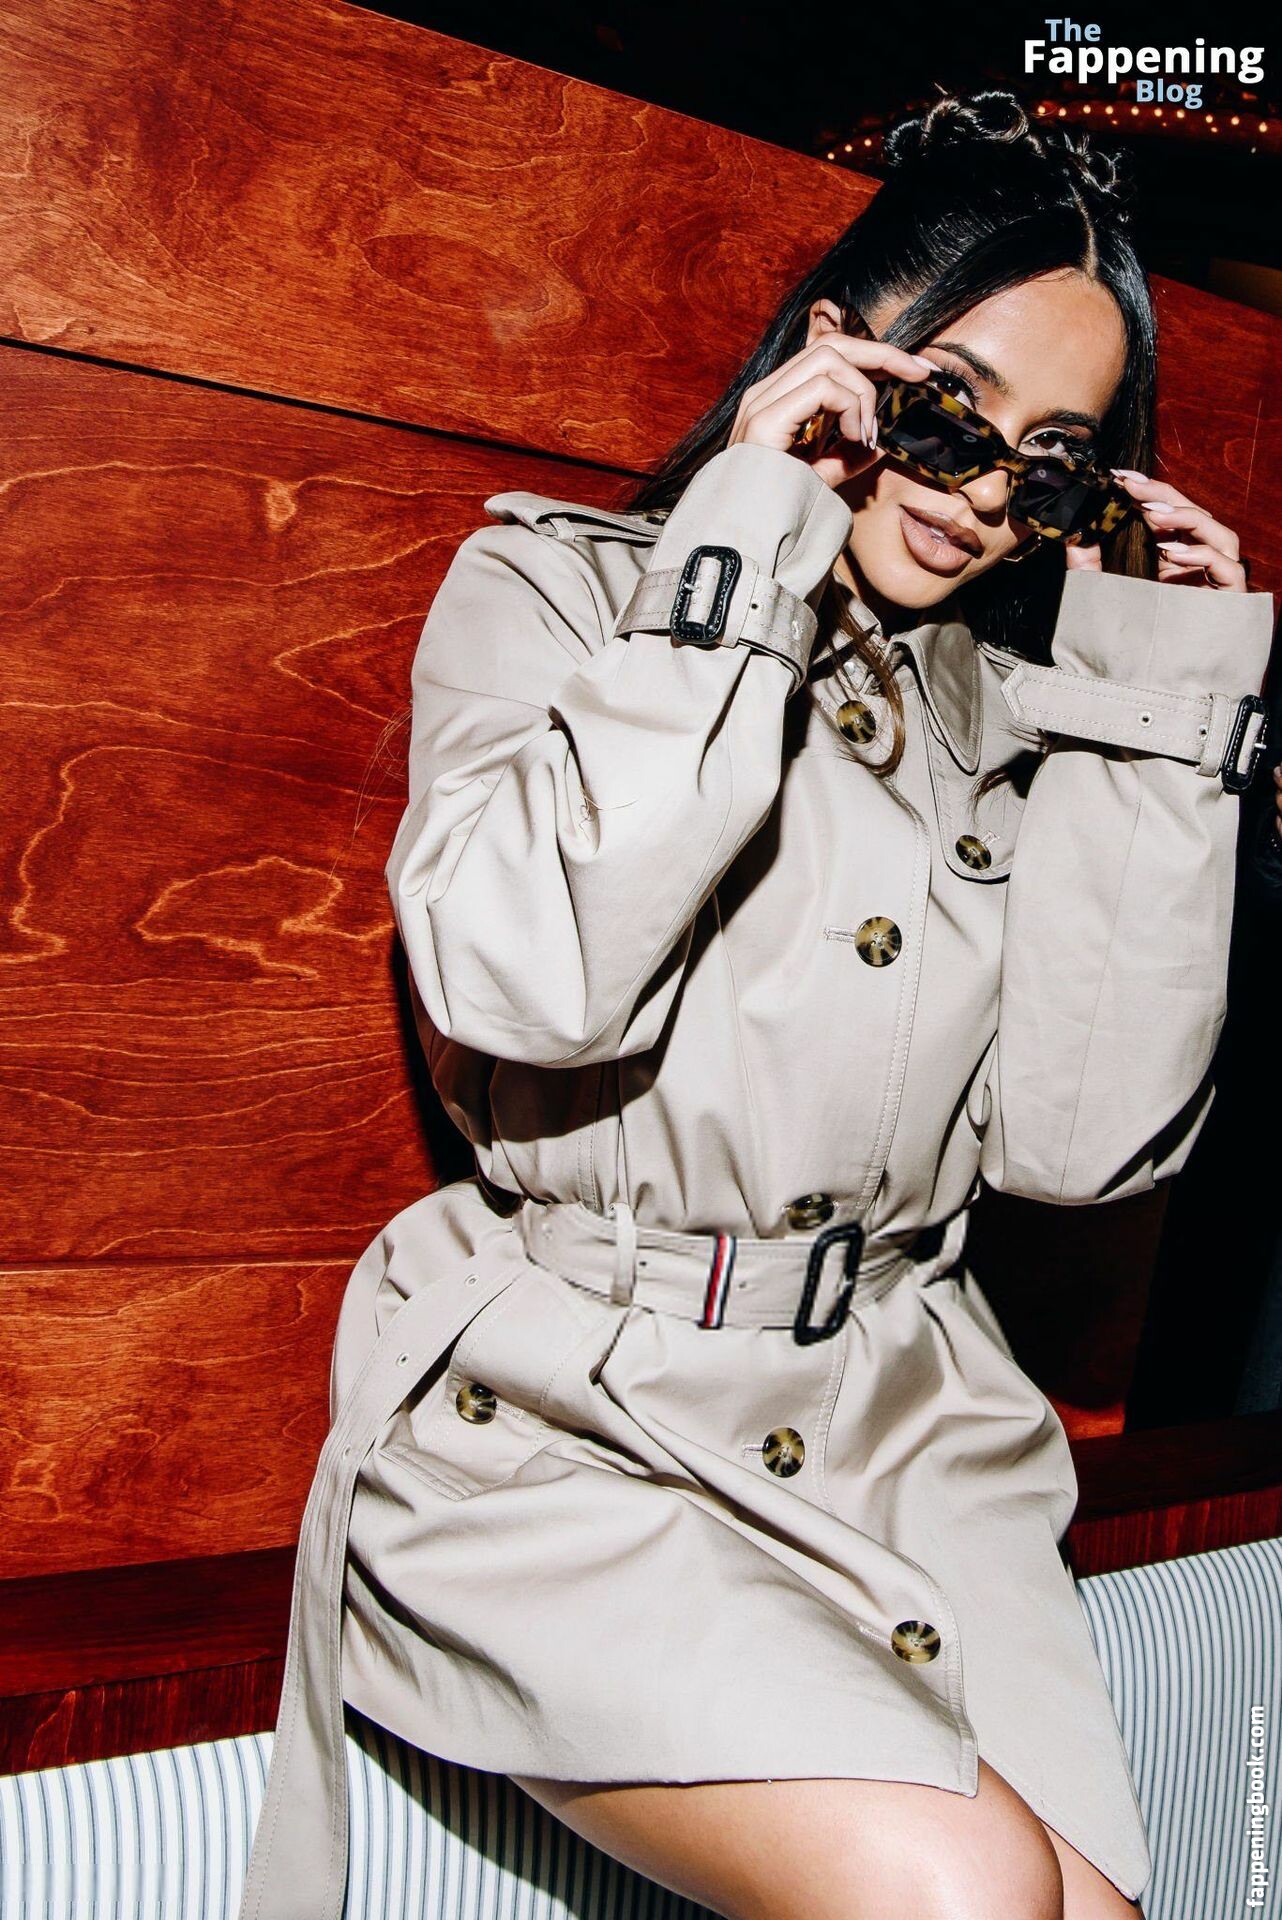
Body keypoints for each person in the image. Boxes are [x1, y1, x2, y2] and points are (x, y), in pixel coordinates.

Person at [237, 92, 1273, 1920]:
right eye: (945, 412)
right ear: (833, 361)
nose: (979, 495)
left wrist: (1155, 720)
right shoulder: (566, 594)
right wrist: (749, 542)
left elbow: (1080, 1148)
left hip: (905, 1429)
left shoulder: (1014, 720)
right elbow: (525, 980)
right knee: (963, 1893)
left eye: (1048, 466)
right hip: (572, 1426)